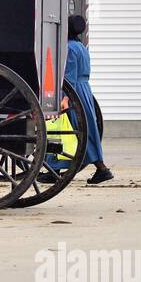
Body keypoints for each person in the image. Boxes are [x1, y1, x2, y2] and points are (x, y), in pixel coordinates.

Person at [44, 14, 113, 184]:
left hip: (74, 91)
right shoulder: (81, 46)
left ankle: (101, 168)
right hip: (85, 90)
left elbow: (69, 77)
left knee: (68, 129)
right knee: (85, 129)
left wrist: (65, 98)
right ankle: (56, 168)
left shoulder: (68, 48)